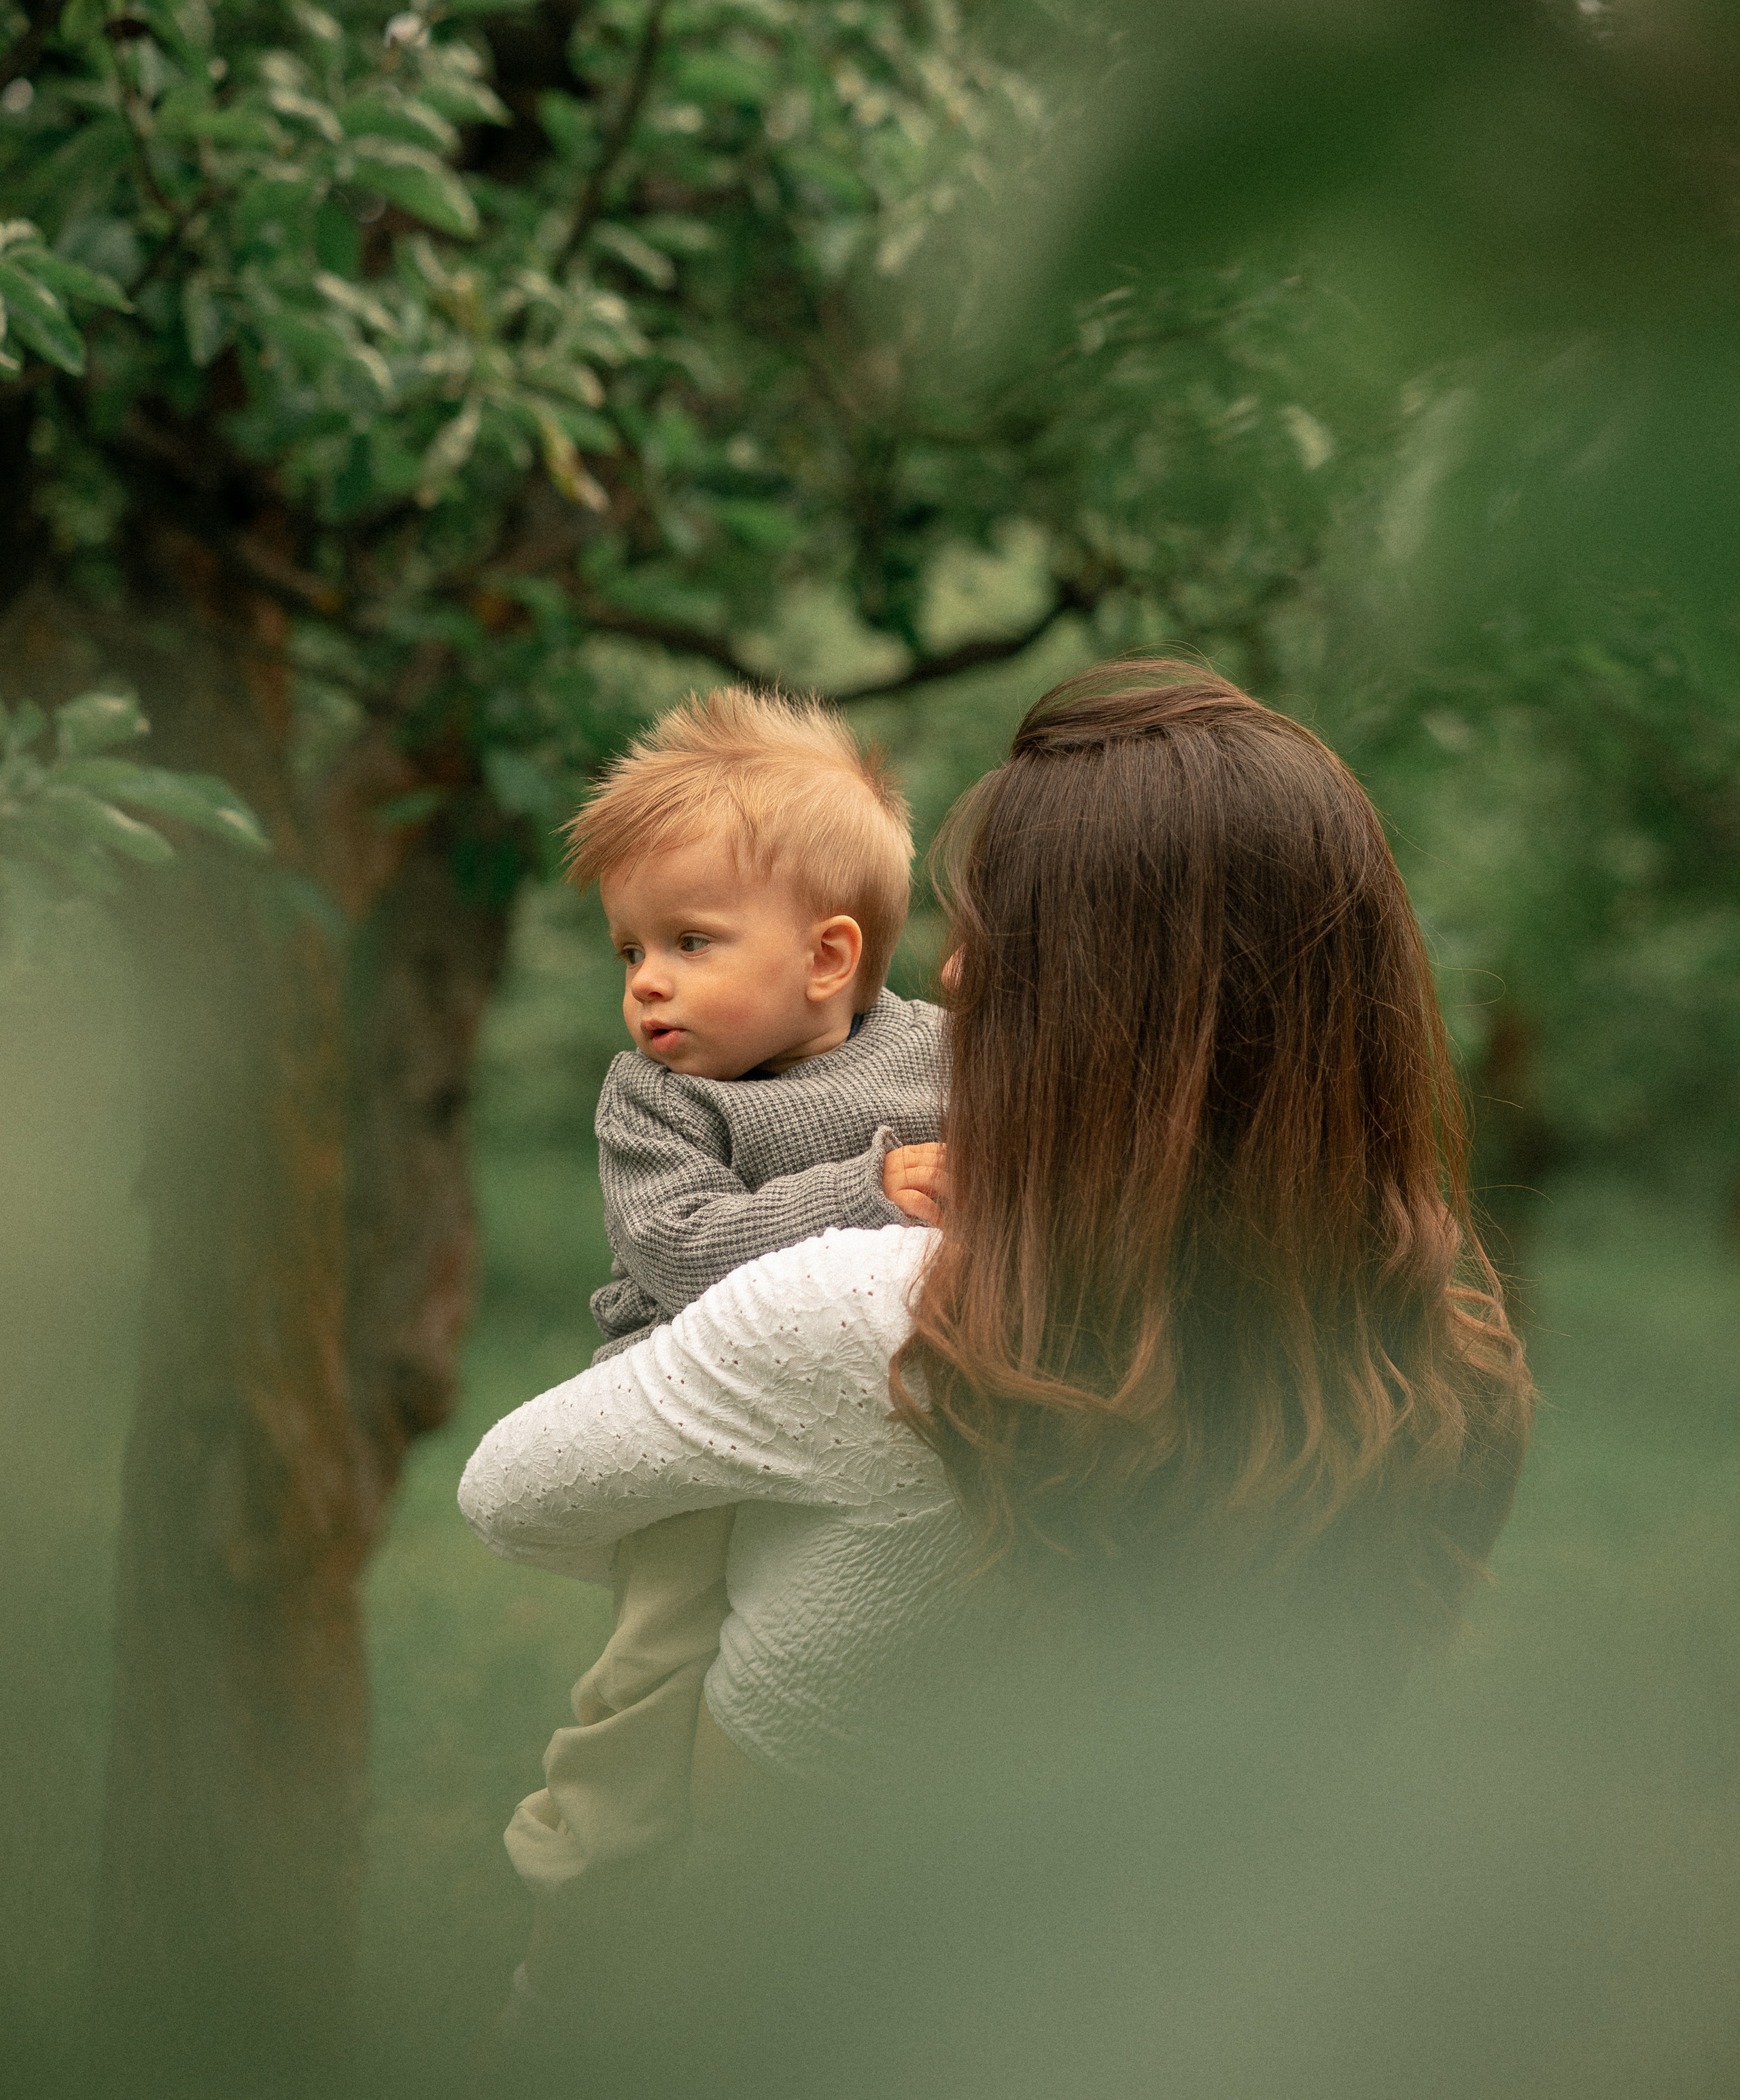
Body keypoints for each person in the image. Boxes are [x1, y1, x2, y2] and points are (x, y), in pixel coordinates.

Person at [460, 659, 1534, 2071]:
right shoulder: (1414, 1350)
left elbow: (510, 1493)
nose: (951, 977)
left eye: (997, 937)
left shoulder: (877, 1321)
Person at [497, 686, 947, 1933]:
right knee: (658, 1659)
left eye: (689, 942)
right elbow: (683, 1253)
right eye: (629, 952)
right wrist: (868, 1192)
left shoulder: (946, 1054)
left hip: (867, 1408)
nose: (647, 985)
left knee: (822, 1640)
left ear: (828, 956)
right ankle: (592, 1877)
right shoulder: (655, 1101)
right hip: (695, 1408)